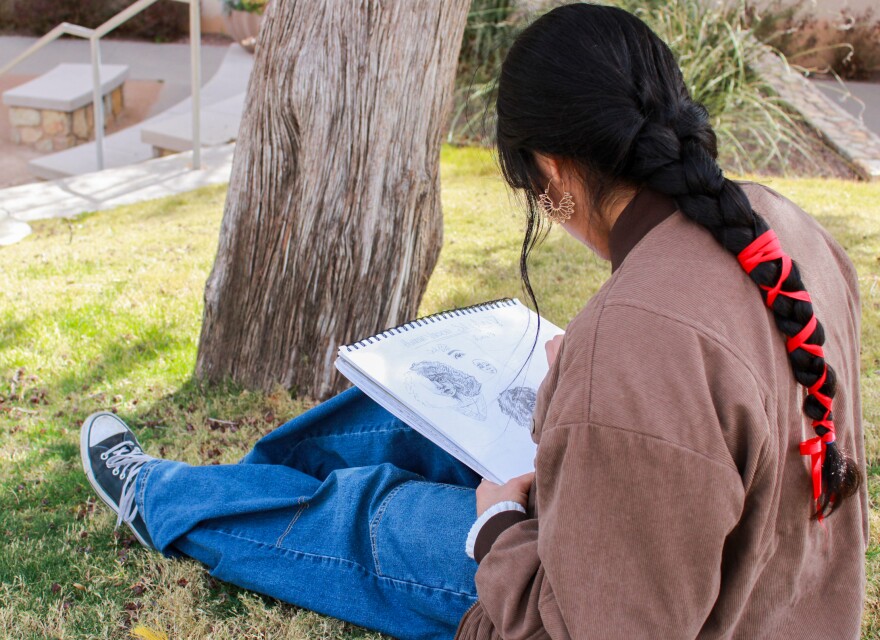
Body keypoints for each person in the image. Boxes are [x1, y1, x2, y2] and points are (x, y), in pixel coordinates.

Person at [79, 4, 867, 639]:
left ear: (552, 171)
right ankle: (244, 488)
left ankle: (165, 499)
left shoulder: (640, 337)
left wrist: (496, 530)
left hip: (632, 599)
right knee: (403, 417)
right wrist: (587, 390)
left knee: (376, 516)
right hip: (749, 579)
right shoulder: (782, 226)